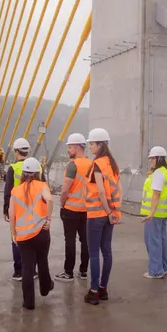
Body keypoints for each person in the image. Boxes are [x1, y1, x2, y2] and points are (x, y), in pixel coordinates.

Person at [9, 157, 55, 309]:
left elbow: (12, 214)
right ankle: (45, 288)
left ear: (23, 173)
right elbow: (50, 200)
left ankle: (28, 302)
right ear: (38, 173)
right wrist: (48, 219)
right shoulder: (42, 185)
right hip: (41, 232)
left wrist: (13, 234)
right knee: (42, 260)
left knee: (27, 267)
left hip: (23, 236)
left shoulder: (15, 191)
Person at [83, 128, 122, 305]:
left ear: (100, 144)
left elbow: (100, 191)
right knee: (107, 251)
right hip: (110, 214)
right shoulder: (112, 164)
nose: (90, 146)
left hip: (97, 214)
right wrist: (113, 213)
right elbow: (116, 191)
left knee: (94, 253)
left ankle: (93, 291)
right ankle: (103, 289)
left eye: (92, 143)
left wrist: (106, 212)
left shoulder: (98, 164)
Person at [54, 133, 91, 282]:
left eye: (70, 147)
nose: (68, 150)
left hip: (71, 210)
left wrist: (62, 204)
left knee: (70, 240)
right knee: (85, 241)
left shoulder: (72, 165)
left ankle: (68, 272)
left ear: (76, 147)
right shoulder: (91, 164)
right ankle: (83, 271)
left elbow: (65, 190)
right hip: (87, 210)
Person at [3, 137, 37, 282]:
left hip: (18, 210)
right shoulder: (38, 167)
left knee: (16, 239)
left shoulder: (13, 168)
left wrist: (6, 210)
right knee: (33, 239)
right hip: (35, 210)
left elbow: (8, 191)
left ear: (16, 152)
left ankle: (19, 271)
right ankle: (32, 270)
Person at [141, 146, 167, 279]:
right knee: (161, 241)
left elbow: (156, 194)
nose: (151, 161)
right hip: (161, 213)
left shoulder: (159, 173)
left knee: (153, 241)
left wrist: (151, 213)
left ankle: (155, 270)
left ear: (159, 158)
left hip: (155, 214)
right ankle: (162, 267)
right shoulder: (165, 172)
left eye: (153, 158)